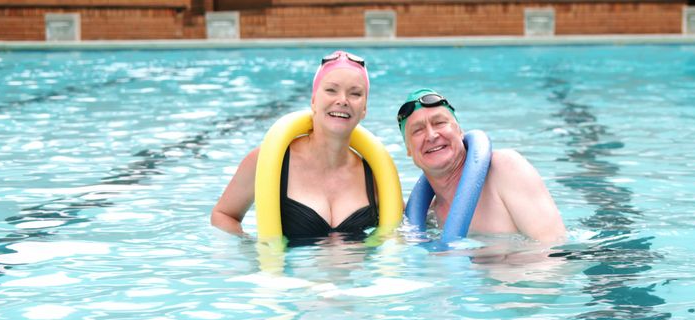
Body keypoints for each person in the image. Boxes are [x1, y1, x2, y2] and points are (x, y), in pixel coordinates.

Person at [212, 51, 379, 241]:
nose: (342, 100)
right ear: (314, 100)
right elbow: (223, 215)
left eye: (355, 93)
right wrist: (255, 253)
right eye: (331, 90)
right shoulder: (268, 161)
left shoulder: (376, 177)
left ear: (364, 108)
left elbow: (402, 227)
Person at [396, 88, 566, 244]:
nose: (431, 136)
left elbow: (554, 250)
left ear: (460, 131)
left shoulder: (504, 169)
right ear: (409, 150)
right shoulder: (427, 218)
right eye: (417, 130)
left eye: (439, 122)